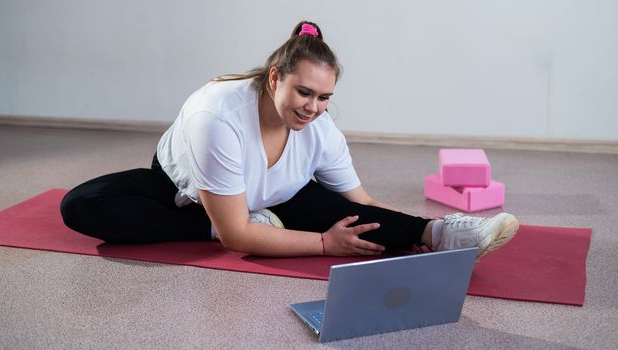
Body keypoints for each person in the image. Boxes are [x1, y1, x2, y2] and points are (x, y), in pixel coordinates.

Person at [60, 21, 519, 258]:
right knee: (83, 204)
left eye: (324, 97)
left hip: (277, 199)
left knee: (334, 208)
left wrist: (406, 234)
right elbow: (238, 237)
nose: (313, 107)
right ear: (275, 77)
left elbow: (357, 202)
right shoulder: (215, 117)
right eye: (304, 92)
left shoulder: (319, 128)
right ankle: (212, 224)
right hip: (186, 192)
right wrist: (322, 244)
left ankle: (445, 234)